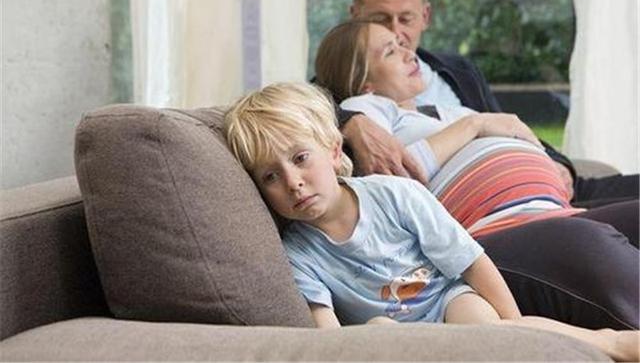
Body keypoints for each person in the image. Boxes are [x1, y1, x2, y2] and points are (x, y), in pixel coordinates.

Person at [223, 82, 639, 362]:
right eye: (270, 177)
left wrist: (514, 326)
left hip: (447, 301)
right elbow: (327, 337)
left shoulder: (394, 195)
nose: (292, 182)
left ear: (334, 151)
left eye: (300, 159)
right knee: (379, 330)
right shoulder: (298, 254)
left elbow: (471, 262)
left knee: (486, 327)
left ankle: (610, 342)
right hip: (390, 336)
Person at [314, 18, 639, 330]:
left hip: (551, 208)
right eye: (390, 51)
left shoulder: (450, 112)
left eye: (402, 44)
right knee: (590, 245)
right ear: (364, 82)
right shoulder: (366, 109)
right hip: (493, 229)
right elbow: (400, 173)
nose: (408, 52)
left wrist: (547, 163)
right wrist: (476, 125)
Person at [340, 0, 638, 208]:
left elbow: (504, 123)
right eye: (379, 19)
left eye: (406, 19)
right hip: (494, 207)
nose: (396, 33)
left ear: (425, 16)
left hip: (540, 180)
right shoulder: (343, 90)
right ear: (354, 15)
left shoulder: (459, 70)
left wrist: (559, 164)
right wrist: (350, 121)